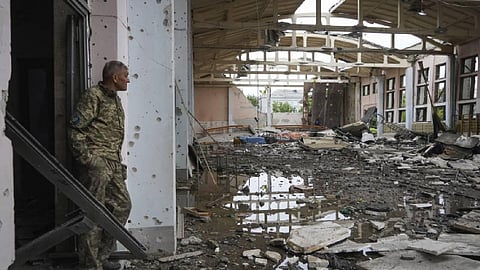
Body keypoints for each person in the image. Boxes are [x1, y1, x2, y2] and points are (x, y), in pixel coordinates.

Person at [70, 60, 131, 270]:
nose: (128, 80)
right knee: (93, 214)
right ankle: (90, 265)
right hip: (97, 164)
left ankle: (102, 256)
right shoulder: (93, 96)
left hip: (113, 163)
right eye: (126, 75)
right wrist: (90, 160)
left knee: (123, 206)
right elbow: (75, 131)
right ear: (115, 78)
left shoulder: (115, 101)